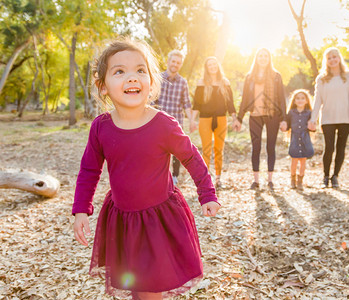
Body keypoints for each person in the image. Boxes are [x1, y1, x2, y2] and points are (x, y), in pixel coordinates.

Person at [72, 37, 220, 300]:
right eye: (120, 71)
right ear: (103, 86)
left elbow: (191, 157)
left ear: (151, 83)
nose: (132, 77)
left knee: (151, 288)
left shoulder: (163, 124)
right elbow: (89, 170)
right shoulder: (101, 127)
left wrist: (207, 193)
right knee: (137, 284)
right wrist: (81, 209)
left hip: (157, 220)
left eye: (140, 70)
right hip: (123, 220)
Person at [233, 48, 287, 190]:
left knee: (271, 146)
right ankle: (256, 180)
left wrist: (283, 118)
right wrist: (239, 118)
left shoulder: (276, 76)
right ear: (256, 58)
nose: (263, 58)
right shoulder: (250, 76)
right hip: (255, 116)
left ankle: (270, 180)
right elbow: (245, 99)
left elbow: (281, 98)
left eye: (265, 56)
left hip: (273, 116)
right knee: (256, 147)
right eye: (260, 56)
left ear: (269, 59)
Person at [308, 47, 349, 188]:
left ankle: (335, 176)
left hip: (346, 117)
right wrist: (313, 119)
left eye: (335, 57)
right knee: (329, 148)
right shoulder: (321, 79)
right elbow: (317, 100)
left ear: (339, 58)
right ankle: (325, 176)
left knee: (341, 147)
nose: (332, 60)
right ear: (326, 61)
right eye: (329, 58)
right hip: (328, 118)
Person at [192, 57, 237, 188]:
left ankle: (218, 178)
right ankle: (206, 180)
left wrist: (234, 119)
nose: (212, 67)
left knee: (219, 149)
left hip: (221, 119)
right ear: (206, 67)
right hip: (205, 119)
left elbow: (230, 104)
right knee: (206, 150)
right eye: (209, 65)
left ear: (218, 66)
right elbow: (197, 104)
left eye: (214, 64)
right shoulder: (201, 83)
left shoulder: (225, 82)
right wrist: (193, 120)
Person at [156, 50, 195, 186]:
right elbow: (151, 100)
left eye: (178, 63)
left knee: (176, 150)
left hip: (175, 122)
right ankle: (159, 175)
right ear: (168, 61)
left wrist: (191, 120)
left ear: (180, 65)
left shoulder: (183, 82)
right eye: (173, 61)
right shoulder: (158, 78)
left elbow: (187, 103)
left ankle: (174, 175)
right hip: (158, 122)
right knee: (158, 150)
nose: (175, 64)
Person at [284, 89, 314, 190]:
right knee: (294, 160)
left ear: (306, 100)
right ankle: (293, 179)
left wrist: (313, 128)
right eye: (297, 98)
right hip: (294, 139)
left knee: (303, 161)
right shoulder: (291, 113)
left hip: (305, 139)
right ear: (294, 101)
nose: (300, 100)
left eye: (302, 98)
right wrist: (283, 126)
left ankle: (300, 181)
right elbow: (287, 126)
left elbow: (312, 127)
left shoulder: (309, 113)